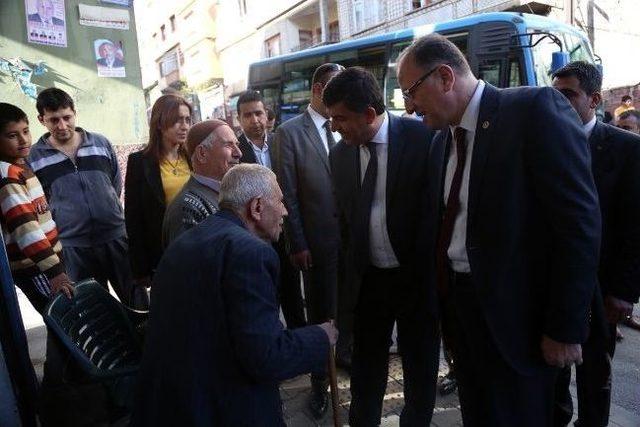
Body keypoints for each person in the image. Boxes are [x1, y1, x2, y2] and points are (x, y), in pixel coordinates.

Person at [397, 34, 601, 426]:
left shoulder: (532, 110)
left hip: (519, 324)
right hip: (463, 317)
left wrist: (565, 326)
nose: (408, 104)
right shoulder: (442, 141)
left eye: (410, 90)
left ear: (444, 77)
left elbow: (578, 224)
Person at [131, 163, 337, 426]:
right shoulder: (251, 253)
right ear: (257, 207)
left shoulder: (191, 239)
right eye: (281, 201)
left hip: (167, 400)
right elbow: (265, 358)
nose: (285, 211)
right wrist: (320, 337)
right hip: (213, 406)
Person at [326, 67, 439, 426]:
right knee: (366, 369)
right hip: (370, 282)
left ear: (369, 115)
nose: (334, 127)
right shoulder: (340, 155)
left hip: (417, 281)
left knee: (420, 366)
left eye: (340, 118)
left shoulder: (424, 138)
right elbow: (345, 225)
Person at [551, 61, 640, 427]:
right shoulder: (546, 143)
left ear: (595, 98)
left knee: (594, 377)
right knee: (553, 375)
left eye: (568, 95)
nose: (559, 103)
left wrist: (623, 292)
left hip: (602, 289)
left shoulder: (627, 149)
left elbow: (635, 228)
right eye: (554, 95)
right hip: (554, 287)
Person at [274, 62, 344, 419]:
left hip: (351, 241)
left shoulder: (346, 123)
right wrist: (297, 242)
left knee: (348, 308)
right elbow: (287, 192)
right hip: (315, 243)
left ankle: (344, 361)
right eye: (335, 87)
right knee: (321, 313)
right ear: (318, 90)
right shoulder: (289, 133)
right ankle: (319, 383)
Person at [28, 88, 135, 306]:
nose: (62, 125)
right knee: (93, 309)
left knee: (137, 301)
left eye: (67, 118)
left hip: (115, 238)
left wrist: (106, 210)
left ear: (75, 113)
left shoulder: (100, 143)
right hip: (72, 247)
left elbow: (114, 184)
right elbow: (39, 203)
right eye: (53, 120)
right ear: (42, 120)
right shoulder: (34, 157)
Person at [237, 90, 306, 330]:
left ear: (266, 115)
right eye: (247, 115)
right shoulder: (234, 151)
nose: (254, 120)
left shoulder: (281, 141)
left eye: (258, 113)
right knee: (266, 297)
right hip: (254, 236)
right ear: (239, 119)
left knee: (293, 295)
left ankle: (299, 347)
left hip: (284, 231)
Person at [0, 103, 73, 311]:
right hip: (35, 266)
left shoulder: (19, 167)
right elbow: (26, 229)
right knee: (62, 317)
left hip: (44, 262)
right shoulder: (8, 176)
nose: (23, 140)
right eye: (12, 135)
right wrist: (54, 271)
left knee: (63, 321)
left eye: (25, 131)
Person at [125, 94, 192, 289]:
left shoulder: (193, 156)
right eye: (177, 120)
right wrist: (140, 269)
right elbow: (133, 218)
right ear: (160, 124)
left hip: (197, 245)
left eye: (187, 119)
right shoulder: (140, 162)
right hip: (163, 252)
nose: (185, 126)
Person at [162, 119, 241, 246]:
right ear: (202, 153)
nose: (238, 153)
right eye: (228, 145)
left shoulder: (229, 193)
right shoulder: (187, 208)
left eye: (237, 144)